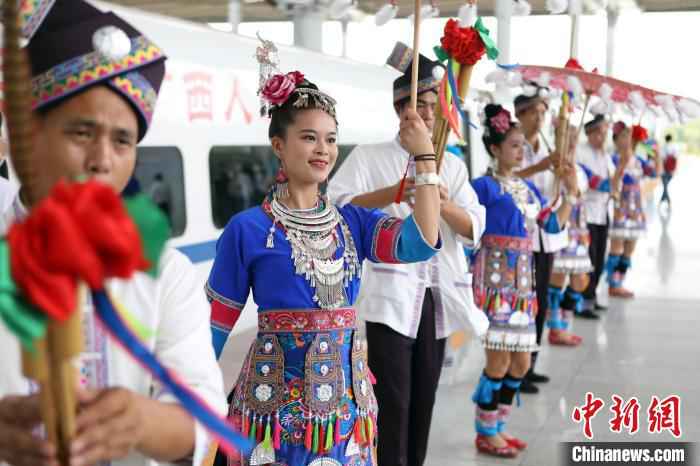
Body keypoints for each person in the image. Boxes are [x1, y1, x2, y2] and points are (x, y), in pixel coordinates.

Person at [0, 2, 225, 466]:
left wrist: (141, 422)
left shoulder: (165, 273)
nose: (103, 159)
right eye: (82, 133)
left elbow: (203, 428)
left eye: (122, 141)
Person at [207, 40, 442, 466]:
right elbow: (213, 330)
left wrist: (424, 155)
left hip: (345, 417)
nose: (323, 150)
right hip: (270, 415)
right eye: (309, 138)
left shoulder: (353, 222)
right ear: (278, 145)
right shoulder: (248, 229)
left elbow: (420, 241)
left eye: (331, 140)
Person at [327, 42, 487, 466]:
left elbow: (474, 227)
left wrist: (441, 199)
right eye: (419, 104)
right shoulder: (369, 156)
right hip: (390, 300)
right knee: (391, 403)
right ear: (400, 109)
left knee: (424, 401)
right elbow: (338, 209)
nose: (429, 113)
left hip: (435, 298)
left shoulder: (450, 165)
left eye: (434, 104)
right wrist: (398, 193)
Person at [470, 104, 579, 458]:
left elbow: (551, 225)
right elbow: (462, 224)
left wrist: (571, 191)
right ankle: (485, 430)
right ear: (495, 148)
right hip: (494, 284)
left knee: (520, 363)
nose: (521, 151)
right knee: (499, 362)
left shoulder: (528, 188)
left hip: (522, 287)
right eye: (515, 145)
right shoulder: (482, 187)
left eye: (522, 146)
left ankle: (498, 425)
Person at [513, 91, 565, 392]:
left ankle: (529, 364)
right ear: (520, 114)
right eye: (534, 112)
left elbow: (550, 192)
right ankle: (513, 369)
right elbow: (506, 177)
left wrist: (560, 173)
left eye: (543, 113)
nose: (539, 118)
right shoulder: (514, 144)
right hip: (520, 240)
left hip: (544, 237)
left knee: (541, 302)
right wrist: (541, 166)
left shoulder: (547, 146)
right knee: (522, 304)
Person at [547, 124, 592, 346]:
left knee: (580, 280)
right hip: (560, 229)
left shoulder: (580, 169)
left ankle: (562, 321)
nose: (571, 141)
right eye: (565, 135)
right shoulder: (551, 166)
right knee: (558, 278)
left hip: (579, 231)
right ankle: (557, 328)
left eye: (574, 136)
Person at [606, 122, 660, 298]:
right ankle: (612, 283)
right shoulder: (613, 159)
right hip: (620, 208)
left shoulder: (638, 161)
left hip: (635, 208)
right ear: (615, 140)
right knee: (617, 246)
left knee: (629, 248)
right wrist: (622, 165)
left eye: (629, 136)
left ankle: (619, 281)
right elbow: (613, 184)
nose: (627, 140)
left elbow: (655, 173)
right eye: (623, 136)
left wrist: (657, 154)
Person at [577, 114, 614, 314]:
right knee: (588, 259)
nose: (602, 137)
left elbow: (614, 181)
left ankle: (590, 297)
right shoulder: (581, 153)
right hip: (587, 214)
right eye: (598, 132)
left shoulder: (605, 155)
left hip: (603, 213)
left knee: (600, 259)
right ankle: (583, 300)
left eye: (604, 132)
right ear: (589, 133)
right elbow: (592, 182)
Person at [660, 134, 678, 208]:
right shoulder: (674, 147)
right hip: (671, 170)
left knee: (665, 186)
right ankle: (665, 200)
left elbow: (661, 159)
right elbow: (676, 159)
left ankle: (664, 200)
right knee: (665, 186)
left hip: (664, 170)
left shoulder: (663, 147)